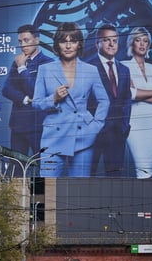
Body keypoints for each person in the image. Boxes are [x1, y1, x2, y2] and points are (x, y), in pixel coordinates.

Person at [32, 22, 110, 177]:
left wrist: (95, 126)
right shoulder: (45, 69)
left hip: (83, 137)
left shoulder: (91, 70)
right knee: (44, 188)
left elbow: (104, 101)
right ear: (57, 44)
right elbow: (36, 102)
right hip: (53, 138)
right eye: (63, 41)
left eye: (72, 41)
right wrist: (53, 98)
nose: (68, 46)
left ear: (79, 44)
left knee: (80, 190)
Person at [85, 24, 131, 177]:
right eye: (106, 40)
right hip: (93, 135)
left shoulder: (124, 70)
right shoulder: (87, 66)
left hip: (117, 134)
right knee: (87, 177)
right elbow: (80, 100)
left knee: (115, 180)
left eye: (115, 41)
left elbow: (126, 101)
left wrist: (125, 126)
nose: (112, 44)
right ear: (97, 43)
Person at [2, 24, 54, 156]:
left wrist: (22, 69)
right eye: (20, 41)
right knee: (17, 169)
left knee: (43, 168)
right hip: (18, 125)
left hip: (39, 126)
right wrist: (25, 99)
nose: (23, 45)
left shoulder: (48, 63)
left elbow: (36, 91)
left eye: (26, 40)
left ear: (37, 40)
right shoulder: (17, 62)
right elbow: (6, 89)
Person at [122, 27, 152, 178]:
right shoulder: (124, 65)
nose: (142, 44)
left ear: (148, 44)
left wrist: (142, 93)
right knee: (142, 167)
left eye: (145, 41)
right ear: (131, 43)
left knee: (150, 167)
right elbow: (131, 94)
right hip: (135, 121)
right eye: (138, 40)